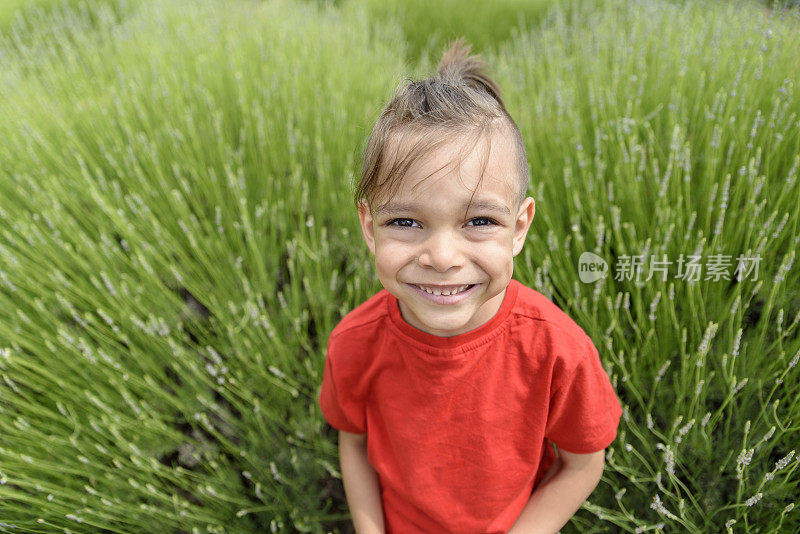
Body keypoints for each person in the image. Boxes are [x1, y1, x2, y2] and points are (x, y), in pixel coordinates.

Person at [318, 36, 623, 534]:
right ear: (369, 227)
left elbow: (583, 463)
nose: (441, 258)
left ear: (519, 227)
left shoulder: (558, 352)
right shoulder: (353, 342)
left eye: (479, 221)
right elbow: (353, 441)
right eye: (406, 222)